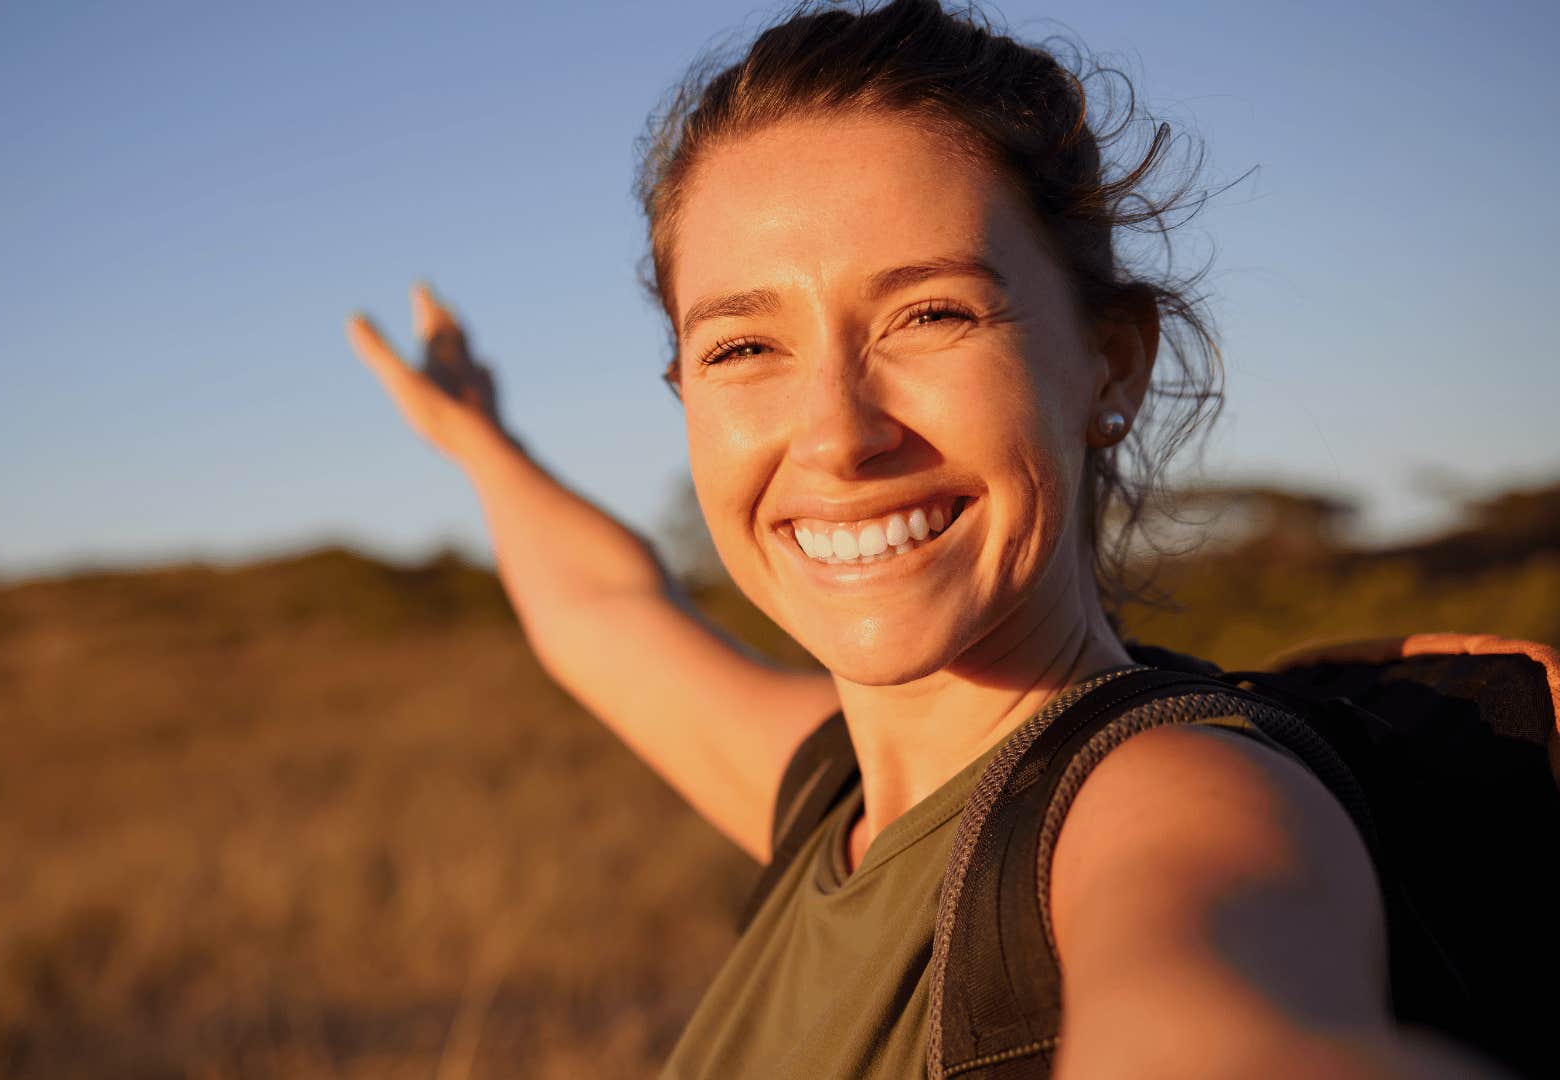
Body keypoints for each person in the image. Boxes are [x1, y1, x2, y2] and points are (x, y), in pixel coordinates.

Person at [346, 2, 1507, 1075]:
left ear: (1111, 363)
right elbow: (604, 616)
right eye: (744, 348)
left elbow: (1220, 1032)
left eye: (931, 315)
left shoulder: (1173, 798)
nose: (838, 436)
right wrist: (479, 442)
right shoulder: (834, 797)